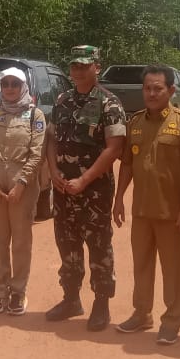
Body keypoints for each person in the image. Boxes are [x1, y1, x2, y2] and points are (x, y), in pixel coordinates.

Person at [112, 65, 180, 344]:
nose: (152, 93)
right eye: (148, 88)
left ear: (171, 90)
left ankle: (172, 320)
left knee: (173, 268)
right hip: (142, 210)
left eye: (158, 88)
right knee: (141, 264)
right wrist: (119, 199)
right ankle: (142, 314)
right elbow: (127, 165)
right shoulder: (135, 123)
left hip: (172, 212)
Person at [45, 45, 126, 331]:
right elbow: (51, 139)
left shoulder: (109, 103)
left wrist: (85, 179)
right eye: (74, 66)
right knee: (66, 243)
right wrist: (54, 171)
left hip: (94, 191)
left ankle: (101, 303)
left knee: (98, 246)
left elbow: (114, 148)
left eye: (84, 65)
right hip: (64, 189)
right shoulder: (63, 100)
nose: (78, 71)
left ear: (96, 68)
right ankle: (71, 299)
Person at [0, 67, 46, 315]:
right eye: (5, 84)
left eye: (15, 84)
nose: (10, 89)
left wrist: (21, 184)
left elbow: (37, 153)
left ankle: (18, 291)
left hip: (22, 187)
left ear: (23, 86)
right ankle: (0, 291)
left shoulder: (34, 115)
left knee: (21, 241)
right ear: (0, 87)